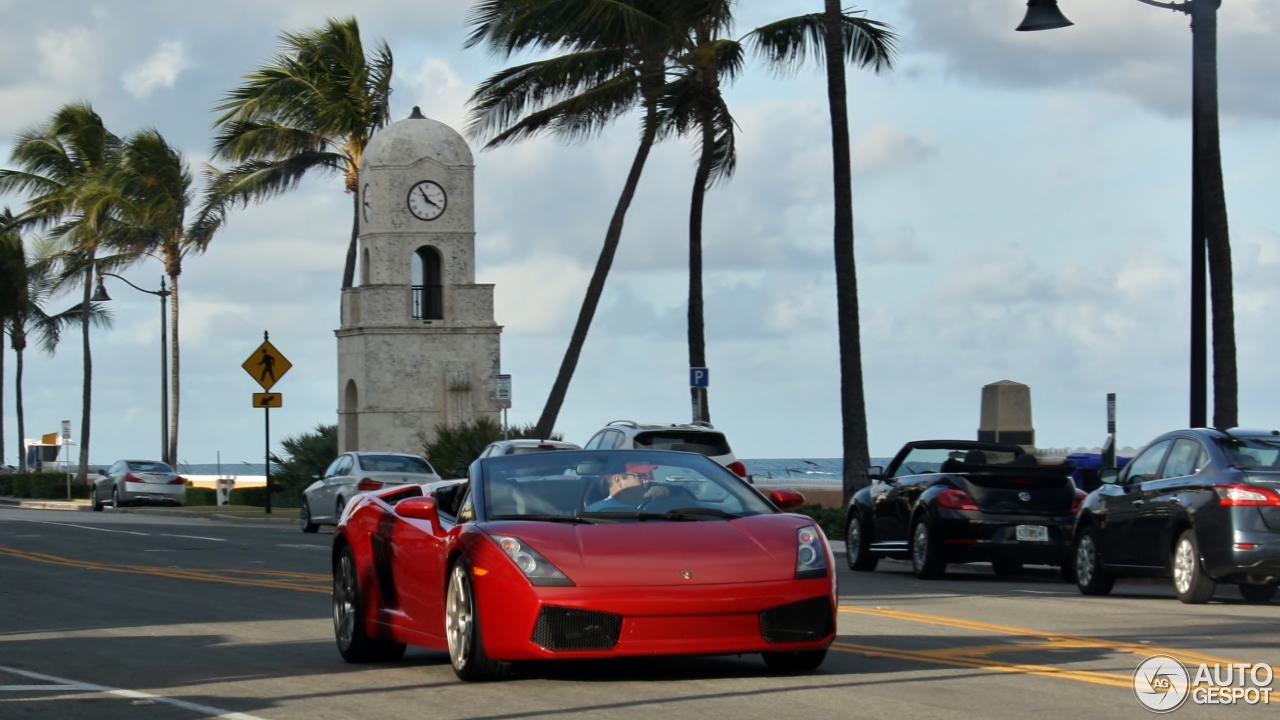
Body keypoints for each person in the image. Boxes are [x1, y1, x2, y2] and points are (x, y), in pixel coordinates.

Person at [584, 462, 669, 511]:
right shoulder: (598, 512)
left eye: (647, 475)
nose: (647, 480)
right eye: (640, 475)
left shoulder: (657, 503)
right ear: (618, 480)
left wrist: (662, 501)